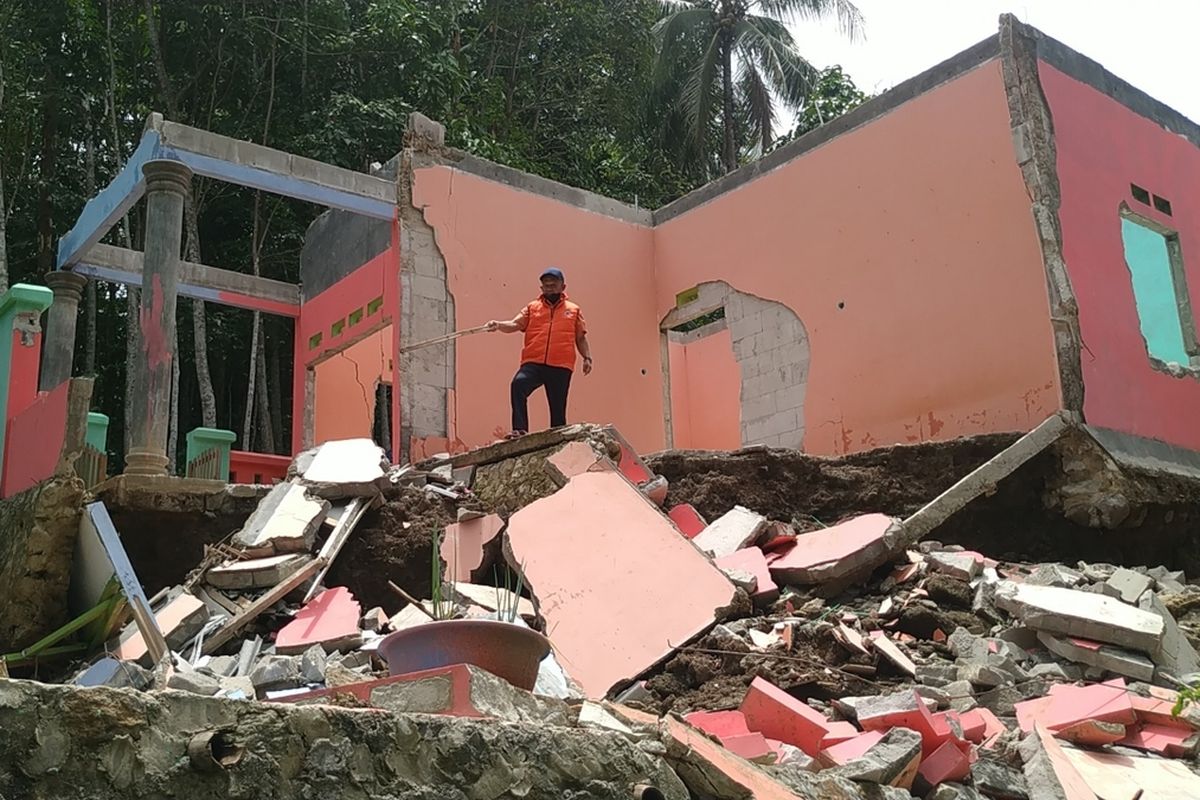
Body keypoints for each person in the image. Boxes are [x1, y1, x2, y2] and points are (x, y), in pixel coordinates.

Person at [486, 267, 592, 437]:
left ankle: (557, 437)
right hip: (533, 361)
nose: (549, 288)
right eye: (546, 286)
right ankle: (519, 429)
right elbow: (515, 324)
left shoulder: (573, 310)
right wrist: (498, 325)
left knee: (558, 406)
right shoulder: (532, 308)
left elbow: (580, 337)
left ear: (562, 287)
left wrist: (587, 357)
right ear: (541, 288)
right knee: (518, 384)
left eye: (553, 285)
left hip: (561, 364)